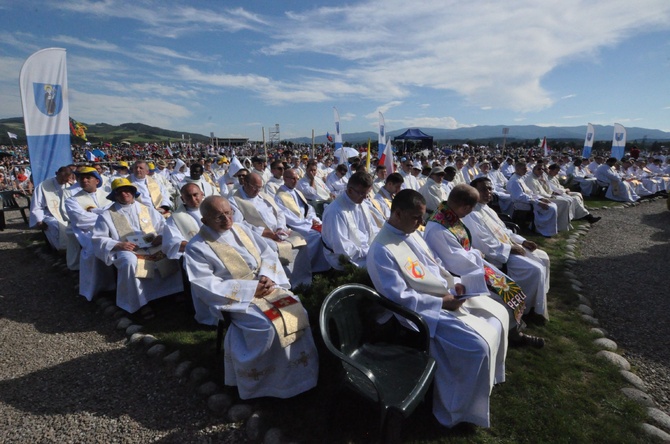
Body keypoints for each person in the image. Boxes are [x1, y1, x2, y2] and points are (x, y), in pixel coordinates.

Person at [367, 189, 509, 429]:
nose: (421, 223)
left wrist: (455, 284)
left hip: (443, 296)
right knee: (477, 347)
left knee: (498, 315)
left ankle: (485, 385)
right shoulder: (381, 250)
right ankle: (456, 411)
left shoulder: (411, 233)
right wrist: (442, 302)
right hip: (422, 313)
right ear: (398, 213)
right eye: (416, 217)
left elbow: (435, 265)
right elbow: (399, 298)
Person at [183, 195, 318, 399]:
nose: (226, 220)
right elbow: (204, 284)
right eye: (219, 216)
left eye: (228, 213)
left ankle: (301, 376)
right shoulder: (197, 247)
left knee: (298, 311)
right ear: (204, 220)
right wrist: (250, 289)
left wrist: (267, 276)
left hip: (264, 286)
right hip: (236, 299)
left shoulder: (241, 229)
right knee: (268, 326)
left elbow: (268, 253)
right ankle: (267, 384)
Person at [91, 178, 183, 317]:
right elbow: (98, 237)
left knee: (170, 252)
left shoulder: (146, 209)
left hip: (152, 244)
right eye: (120, 192)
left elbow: (163, 227)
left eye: (128, 190)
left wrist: (161, 237)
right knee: (130, 262)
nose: (124, 194)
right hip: (126, 248)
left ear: (133, 192)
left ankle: (173, 291)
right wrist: (118, 244)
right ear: (115, 195)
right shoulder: (106, 215)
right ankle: (139, 303)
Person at [463, 178, 551, 323]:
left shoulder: (486, 208)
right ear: (473, 192)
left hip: (509, 246)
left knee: (543, 258)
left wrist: (522, 241)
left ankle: (539, 300)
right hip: (498, 255)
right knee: (535, 270)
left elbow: (504, 230)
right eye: (483, 189)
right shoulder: (471, 214)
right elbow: (484, 244)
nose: (488, 193)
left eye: (490, 189)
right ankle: (527, 310)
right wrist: (510, 248)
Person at [64, 167, 115, 301]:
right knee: (93, 251)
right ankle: (100, 287)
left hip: (113, 228)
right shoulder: (72, 200)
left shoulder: (108, 195)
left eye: (88, 177)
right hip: (88, 232)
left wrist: (95, 212)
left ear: (97, 181)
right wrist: (104, 213)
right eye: (81, 178)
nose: (84, 180)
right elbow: (81, 219)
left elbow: (117, 212)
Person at [274, 168, 331, 284]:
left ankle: (325, 267)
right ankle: (314, 268)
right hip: (295, 227)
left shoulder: (297, 192)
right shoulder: (280, 196)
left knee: (326, 232)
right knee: (317, 236)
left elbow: (308, 209)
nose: (295, 181)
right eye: (292, 178)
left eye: (297, 178)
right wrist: (309, 223)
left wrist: (313, 219)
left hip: (306, 223)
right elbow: (288, 217)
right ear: (285, 179)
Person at [321, 172, 380, 270]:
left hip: (366, 249)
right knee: (381, 269)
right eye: (362, 193)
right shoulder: (335, 211)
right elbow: (342, 248)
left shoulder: (361, 203)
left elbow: (370, 229)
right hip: (345, 257)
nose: (365, 197)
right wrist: (368, 252)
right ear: (350, 190)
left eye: (367, 193)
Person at [507, 161, 559, 237]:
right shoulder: (515, 181)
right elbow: (519, 197)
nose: (526, 170)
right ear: (517, 170)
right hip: (522, 203)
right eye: (524, 169)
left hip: (528, 200)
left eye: (526, 169)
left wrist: (540, 198)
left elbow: (529, 192)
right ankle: (542, 230)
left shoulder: (519, 178)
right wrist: (537, 202)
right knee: (550, 208)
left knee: (552, 205)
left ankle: (547, 229)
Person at [29, 166, 72, 251]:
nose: (64, 181)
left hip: (68, 213)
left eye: (66, 179)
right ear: (56, 174)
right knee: (55, 225)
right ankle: (60, 249)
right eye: (62, 179)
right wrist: (39, 220)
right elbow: (37, 205)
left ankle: (74, 248)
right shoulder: (43, 186)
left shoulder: (70, 185)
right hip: (49, 214)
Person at [523, 163, 573, 231]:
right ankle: (559, 225)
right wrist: (547, 197)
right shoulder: (530, 179)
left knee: (567, 200)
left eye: (542, 169)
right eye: (538, 169)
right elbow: (534, 194)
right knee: (564, 202)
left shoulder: (538, 177)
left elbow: (546, 189)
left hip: (547, 195)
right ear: (534, 170)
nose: (541, 171)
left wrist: (550, 192)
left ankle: (561, 224)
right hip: (540, 199)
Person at [162, 183, 204, 260]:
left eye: (195, 195)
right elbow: (173, 243)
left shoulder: (213, 209)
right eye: (188, 196)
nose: (193, 199)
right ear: (182, 199)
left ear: (202, 194)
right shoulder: (174, 219)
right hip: (195, 256)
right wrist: (201, 247)